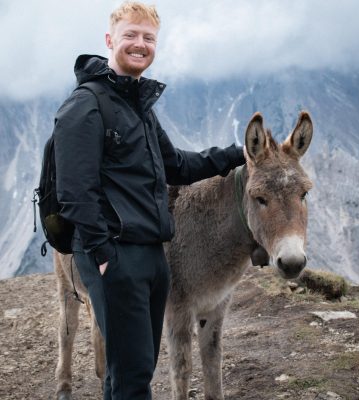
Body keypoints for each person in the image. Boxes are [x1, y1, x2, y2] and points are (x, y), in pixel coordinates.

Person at [54, 2, 245, 399]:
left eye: (149, 38)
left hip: (150, 253)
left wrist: (235, 154)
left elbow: (175, 165)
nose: (140, 44)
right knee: (133, 377)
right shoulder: (86, 104)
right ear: (110, 40)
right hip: (116, 259)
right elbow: (74, 191)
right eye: (131, 35)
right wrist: (104, 256)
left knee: (129, 370)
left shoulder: (136, 107)